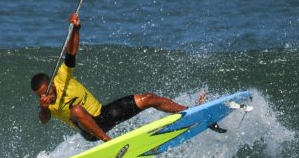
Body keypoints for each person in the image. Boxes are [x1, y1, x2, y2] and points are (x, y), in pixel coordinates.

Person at [31, 13, 188, 142]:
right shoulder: (47, 104)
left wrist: (76, 29)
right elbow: (44, 120)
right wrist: (44, 107)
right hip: (89, 132)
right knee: (77, 110)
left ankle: (188, 112)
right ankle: (108, 141)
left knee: (149, 98)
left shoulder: (62, 76)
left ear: (51, 83)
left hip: (104, 113)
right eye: (41, 96)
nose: (46, 97)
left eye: (47, 92)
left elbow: (71, 52)